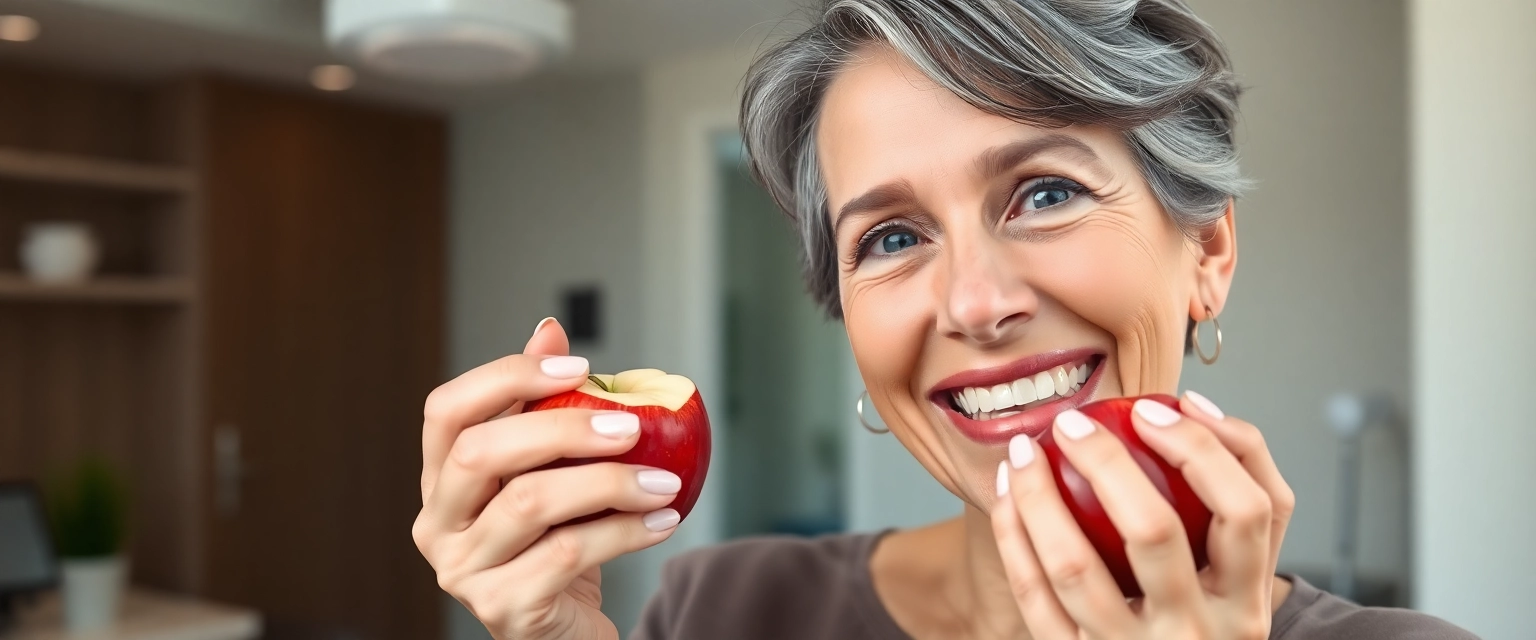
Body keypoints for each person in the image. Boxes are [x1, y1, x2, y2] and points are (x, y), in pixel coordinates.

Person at [412, 1, 1478, 638]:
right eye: (891, 238)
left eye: (1047, 192)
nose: (975, 304)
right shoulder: (722, 609)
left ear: (1207, 250)